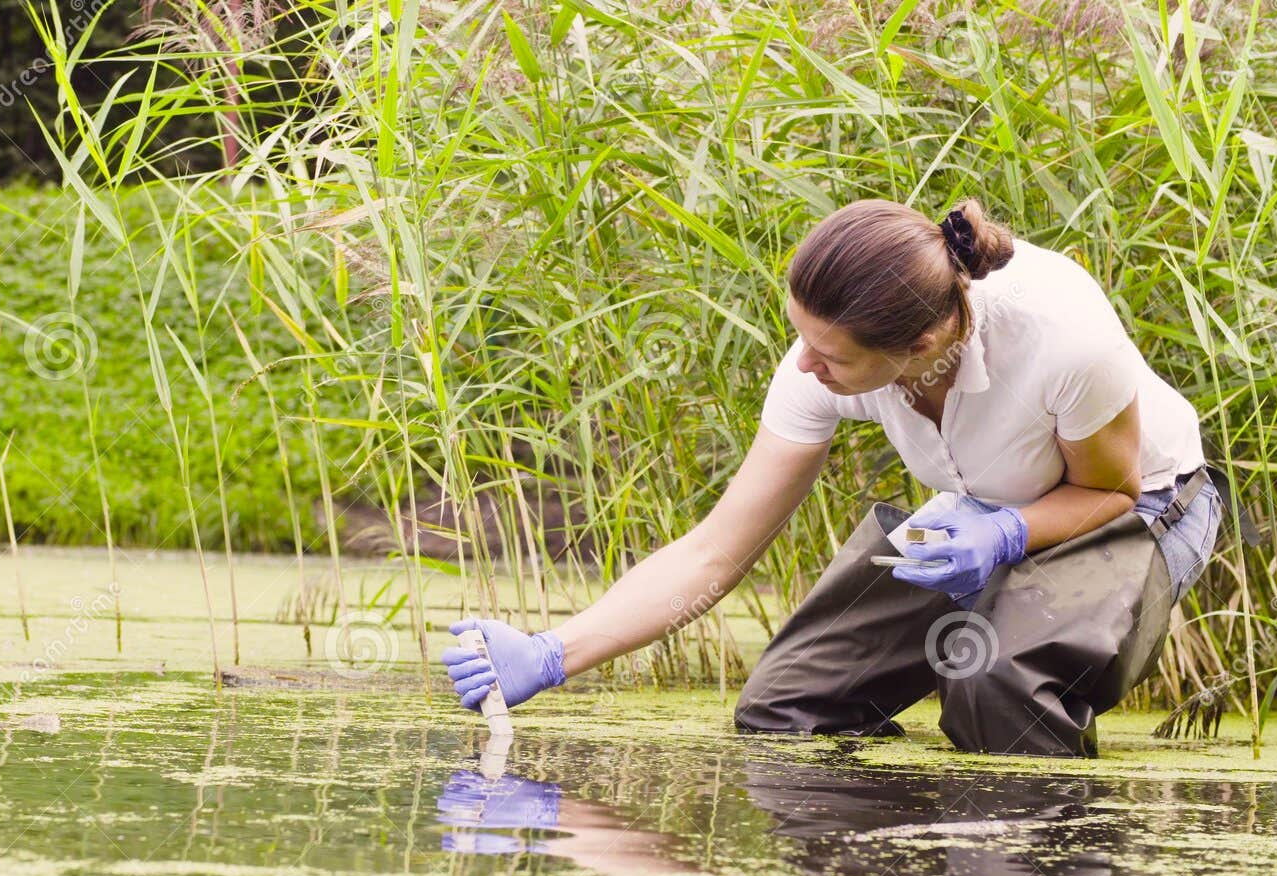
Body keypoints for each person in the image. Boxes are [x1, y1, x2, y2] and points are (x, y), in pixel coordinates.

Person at [440, 198, 1222, 758]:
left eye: (832, 358)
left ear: (919, 344)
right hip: (984, 508)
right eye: (801, 341)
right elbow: (716, 551)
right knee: (789, 703)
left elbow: (1111, 492)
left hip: (1144, 504)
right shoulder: (826, 356)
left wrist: (1010, 531)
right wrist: (552, 651)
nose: (806, 368)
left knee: (995, 682)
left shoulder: (1063, 339)